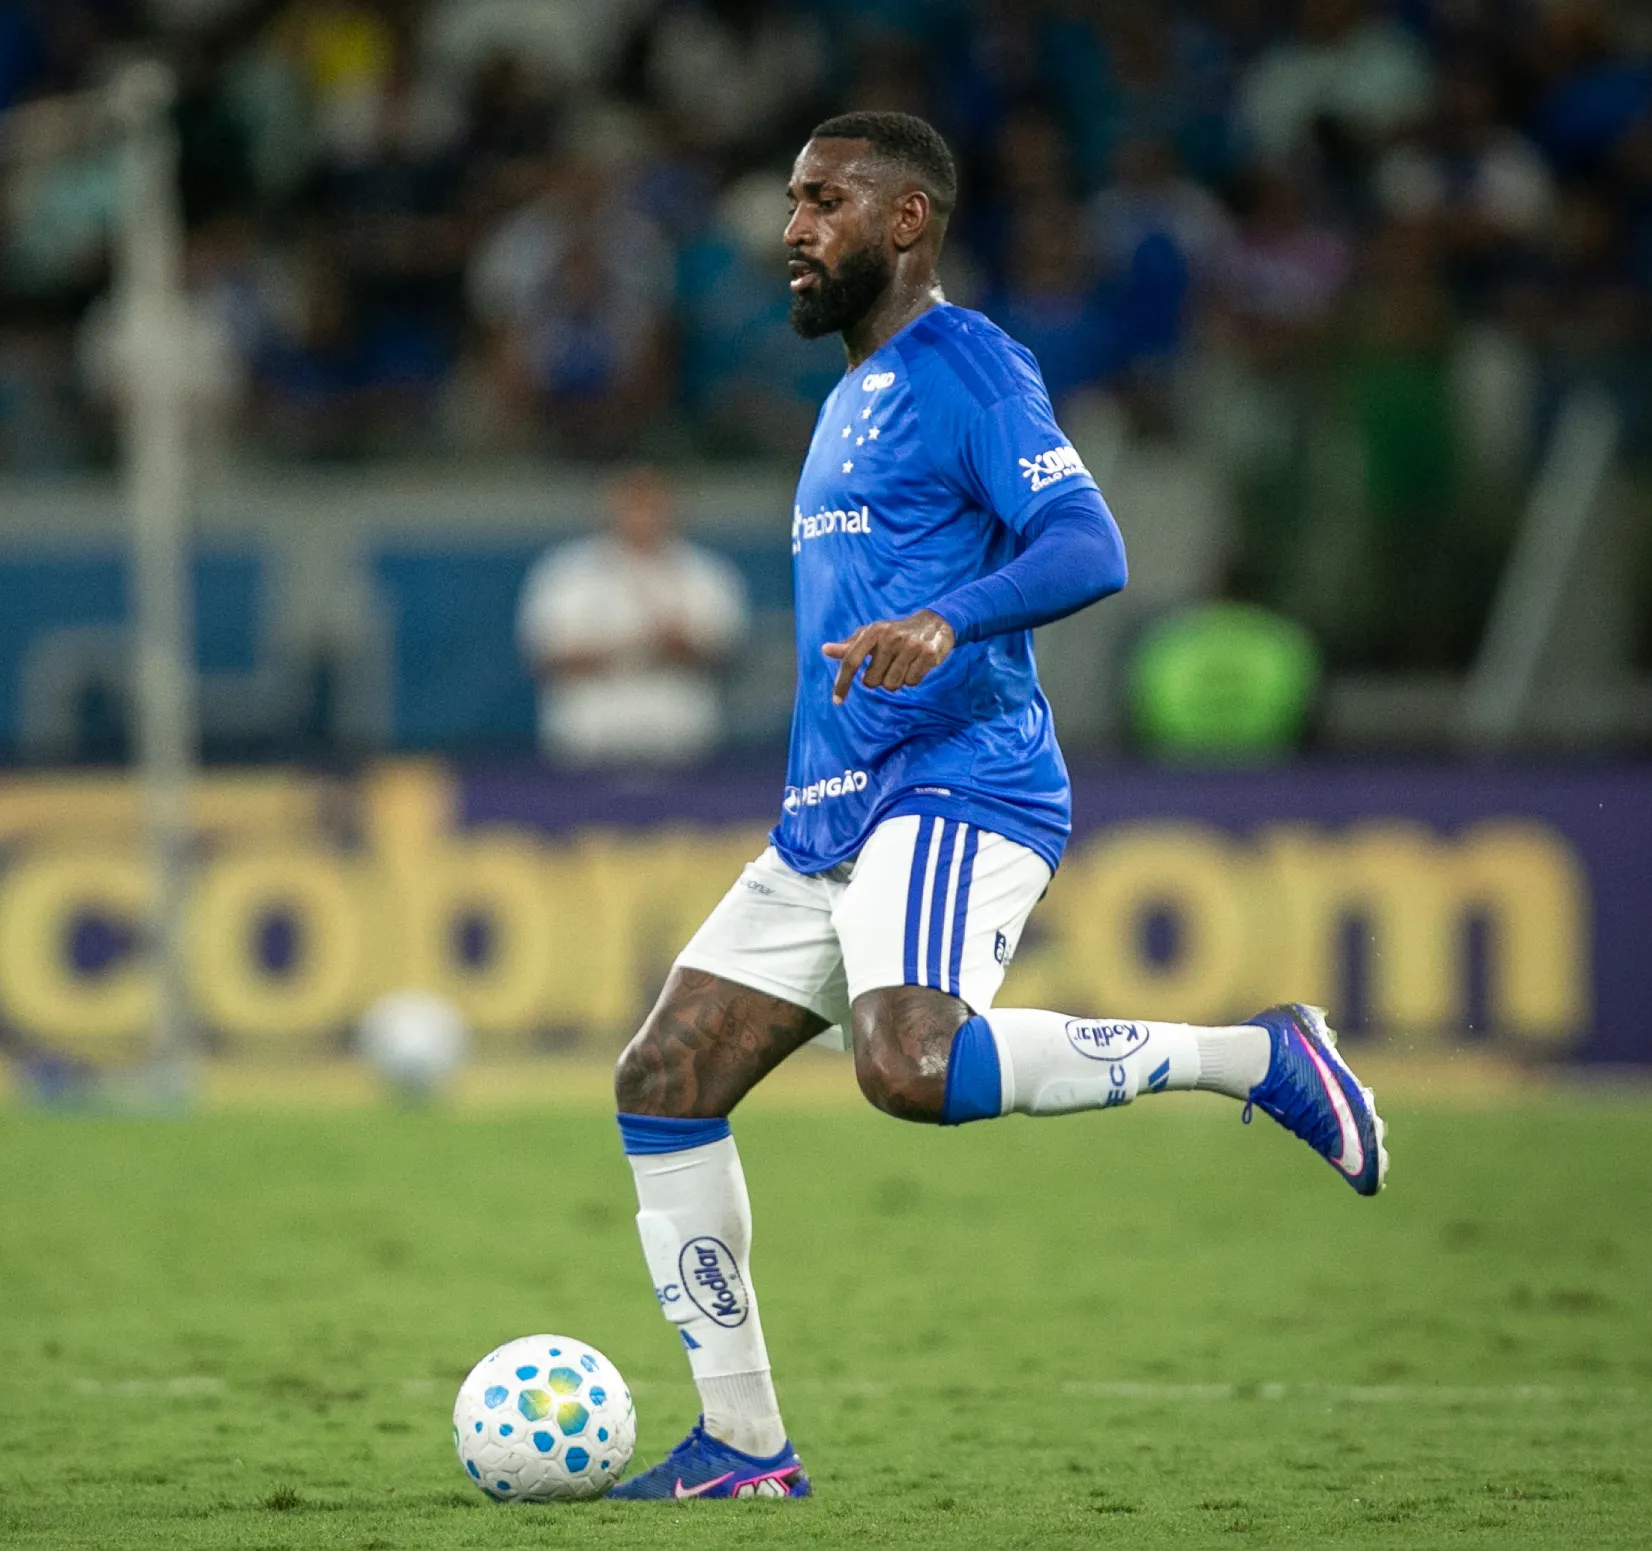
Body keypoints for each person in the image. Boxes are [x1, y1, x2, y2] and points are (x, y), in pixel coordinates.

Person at [606, 111, 1388, 1504]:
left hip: (960, 776)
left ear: (906, 222)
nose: (792, 229)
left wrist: (947, 620)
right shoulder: (850, 395)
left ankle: (1259, 1059)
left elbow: (1089, 541)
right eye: (790, 201)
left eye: (822, 201)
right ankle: (741, 1445)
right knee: (663, 1080)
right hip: (832, 816)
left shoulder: (964, 363)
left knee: (910, 1063)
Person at [517, 467, 747, 768]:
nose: (641, 516)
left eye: (651, 505)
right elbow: (545, 656)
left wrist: (674, 644)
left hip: (679, 741)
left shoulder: (705, 573)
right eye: (632, 505)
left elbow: (724, 654)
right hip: (587, 741)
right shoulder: (566, 572)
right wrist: (625, 647)